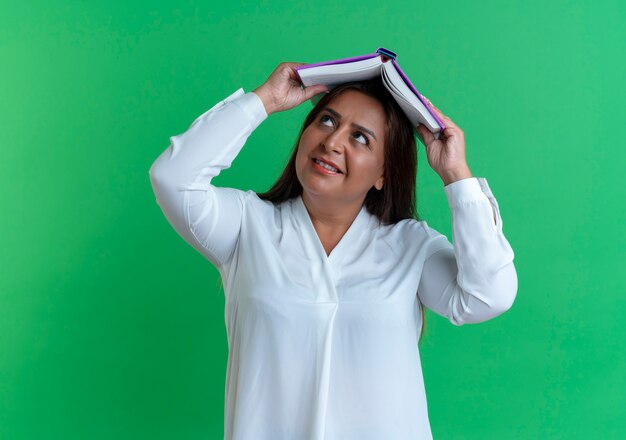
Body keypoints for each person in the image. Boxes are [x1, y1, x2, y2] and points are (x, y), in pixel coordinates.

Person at [149, 62, 518, 440]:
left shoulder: (411, 246)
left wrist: (456, 173)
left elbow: (488, 295)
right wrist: (265, 100)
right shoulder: (247, 227)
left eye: (361, 138)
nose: (333, 141)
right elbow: (173, 178)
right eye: (327, 121)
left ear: (383, 175)